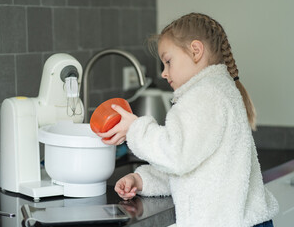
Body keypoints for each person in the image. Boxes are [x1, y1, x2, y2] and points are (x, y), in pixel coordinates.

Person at [96, 13, 279, 227]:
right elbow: (191, 164)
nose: (164, 73)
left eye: (168, 61)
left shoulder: (204, 96)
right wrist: (142, 180)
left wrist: (135, 129)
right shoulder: (217, 90)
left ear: (195, 50)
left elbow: (176, 155)